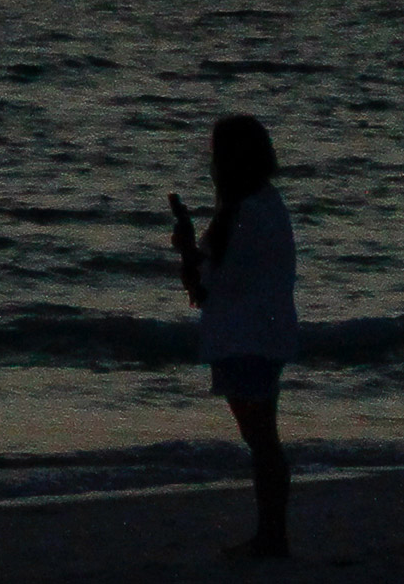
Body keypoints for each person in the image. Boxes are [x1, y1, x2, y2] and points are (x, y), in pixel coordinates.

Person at [174, 113, 300, 559]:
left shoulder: (245, 213)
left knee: (262, 439)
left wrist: (190, 251)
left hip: (248, 339)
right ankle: (272, 535)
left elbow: (208, 285)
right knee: (263, 438)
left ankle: (272, 537)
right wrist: (193, 250)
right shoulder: (263, 204)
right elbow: (213, 280)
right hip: (260, 336)